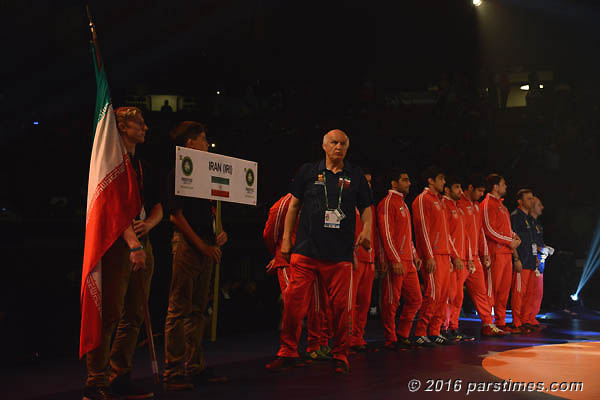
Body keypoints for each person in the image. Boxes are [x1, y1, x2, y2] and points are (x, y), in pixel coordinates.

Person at [266, 129, 373, 374]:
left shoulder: (355, 175)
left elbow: (367, 208)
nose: (339, 147)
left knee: (340, 309)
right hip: (305, 251)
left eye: (343, 143)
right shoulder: (308, 171)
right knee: (293, 304)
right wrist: (285, 240)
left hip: (339, 255)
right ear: (324, 146)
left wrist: (366, 230)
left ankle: (340, 354)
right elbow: (294, 205)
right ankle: (288, 351)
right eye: (334, 142)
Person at [84, 107, 162, 400]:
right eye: (139, 123)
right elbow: (113, 211)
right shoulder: (110, 165)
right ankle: (95, 382)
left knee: (134, 316)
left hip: (142, 243)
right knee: (111, 315)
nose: (145, 128)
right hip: (118, 246)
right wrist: (134, 244)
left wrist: (147, 226)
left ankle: (120, 377)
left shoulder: (142, 165)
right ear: (122, 128)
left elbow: (158, 205)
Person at [163, 121, 228, 390]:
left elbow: (209, 210)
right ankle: (173, 370)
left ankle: (195, 365)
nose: (206, 143)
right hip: (188, 246)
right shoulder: (178, 171)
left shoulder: (204, 174)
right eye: (202, 139)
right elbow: (175, 216)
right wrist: (201, 246)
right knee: (179, 309)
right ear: (190, 144)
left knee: (198, 310)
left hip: (206, 244)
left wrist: (219, 232)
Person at [263, 193, 332, 361]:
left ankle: (317, 345)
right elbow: (270, 234)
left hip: (313, 259)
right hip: (289, 261)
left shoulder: (320, 201)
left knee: (318, 305)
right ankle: (289, 350)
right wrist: (279, 253)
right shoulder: (282, 205)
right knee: (294, 307)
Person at [412, 166, 463, 346]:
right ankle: (420, 332)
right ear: (430, 181)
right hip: (432, 255)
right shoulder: (422, 200)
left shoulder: (440, 201)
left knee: (442, 296)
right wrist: (429, 255)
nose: (443, 182)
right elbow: (423, 230)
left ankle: (434, 331)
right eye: (440, 179)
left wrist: (453, 255)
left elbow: (446, 232)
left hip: (444, 254)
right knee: (432, 294)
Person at [376, 168, 423, 350]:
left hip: (407, 261)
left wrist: (414, 254)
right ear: (394, 183)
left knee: (416, 299)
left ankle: (403, 333)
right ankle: (391, 338)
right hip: (395, 260)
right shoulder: (387, 203)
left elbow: (407, 234)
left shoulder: (403, 204)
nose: (409, 183)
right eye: (405, 180)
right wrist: (394, 260)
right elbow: (386, 234)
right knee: (391, 301)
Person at [458, 176, 506, 337]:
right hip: (462, 258)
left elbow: (479, 233)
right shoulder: (459, 204)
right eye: (479, 191)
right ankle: (448, 327)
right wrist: (459, 256)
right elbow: (458, 234)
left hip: (475, 258)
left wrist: (484, 253)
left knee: (482, 292)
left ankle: (487, 323)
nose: (480, 194)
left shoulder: (477, 207)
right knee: (455, 295)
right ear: (470, 188)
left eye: (482, 191)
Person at [481, 174, 521, 333]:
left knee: (504, 291)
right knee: (492, 290)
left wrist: (513, 235)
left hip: (506, 253)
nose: (506, 187)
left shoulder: (502, 206)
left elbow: (504, 228)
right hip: (495, 254)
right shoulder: (487, 204)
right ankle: (487, 324)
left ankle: (500, 322)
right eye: (503, 184)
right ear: (495, 186)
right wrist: (508, 240)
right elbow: (488, 229)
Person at [441, 176, 475, 342]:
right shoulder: (444, 207)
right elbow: (445, 236)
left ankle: (453, 327)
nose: (460, 191)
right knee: (448, 295)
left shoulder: (458, 209)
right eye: (456, 187)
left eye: (460, 187)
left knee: (457, 296)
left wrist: (468, 257)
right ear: (447, 190)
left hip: (461, 260)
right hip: (451, 260)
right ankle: (444, 327)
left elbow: (466, 236)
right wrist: (453, 256)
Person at [350, 171, 379, 352]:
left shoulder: (369, 209)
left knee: (365, 302)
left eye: (370, 182)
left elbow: (373, 236)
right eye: (365, 182)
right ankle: (346, 338)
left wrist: (373, 259)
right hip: (353, 259)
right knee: (350, 302)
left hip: (368, 260)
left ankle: (358, 337)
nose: (368, 185)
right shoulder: (346, 205)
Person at [509, 189, 538, 334]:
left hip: (531, 261)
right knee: (519, 293)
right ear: (520, 201)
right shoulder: (516, 217)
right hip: (522, 261)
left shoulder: (530, 219)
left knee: (529, 293)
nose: (531, 201)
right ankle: (516, 321)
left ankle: (525, 320)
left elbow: (532, 241)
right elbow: (512, 238)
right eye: (528, 198)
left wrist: (536, 257)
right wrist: (516, 259)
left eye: (532, 198)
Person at [526, 196, 548, 330]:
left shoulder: (538, 224)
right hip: (532, 260)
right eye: (539, 205)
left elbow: (538, 242)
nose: (542, 208)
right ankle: (527, 319)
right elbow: (530, 242)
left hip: (540, 260)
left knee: (538, 292)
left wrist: (544, 248)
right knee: (530, 291)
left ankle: (532, 318)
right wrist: (539, 250)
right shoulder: (528, 222)